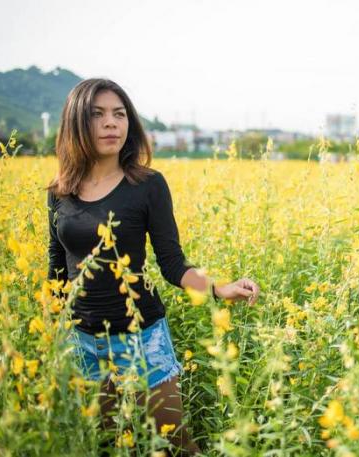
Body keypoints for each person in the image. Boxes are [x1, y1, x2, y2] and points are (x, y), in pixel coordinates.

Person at [46, 78, 260, 456]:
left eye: (119, 114)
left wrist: (220, 288)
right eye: (98, 115)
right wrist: (48, 332)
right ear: (77, 123)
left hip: (141, 335)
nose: (111, 123)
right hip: (80, 340)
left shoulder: (147, 185)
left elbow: (173, 264)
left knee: (175, 440)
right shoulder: (59, 191)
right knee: (107, 441)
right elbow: (57, 266)